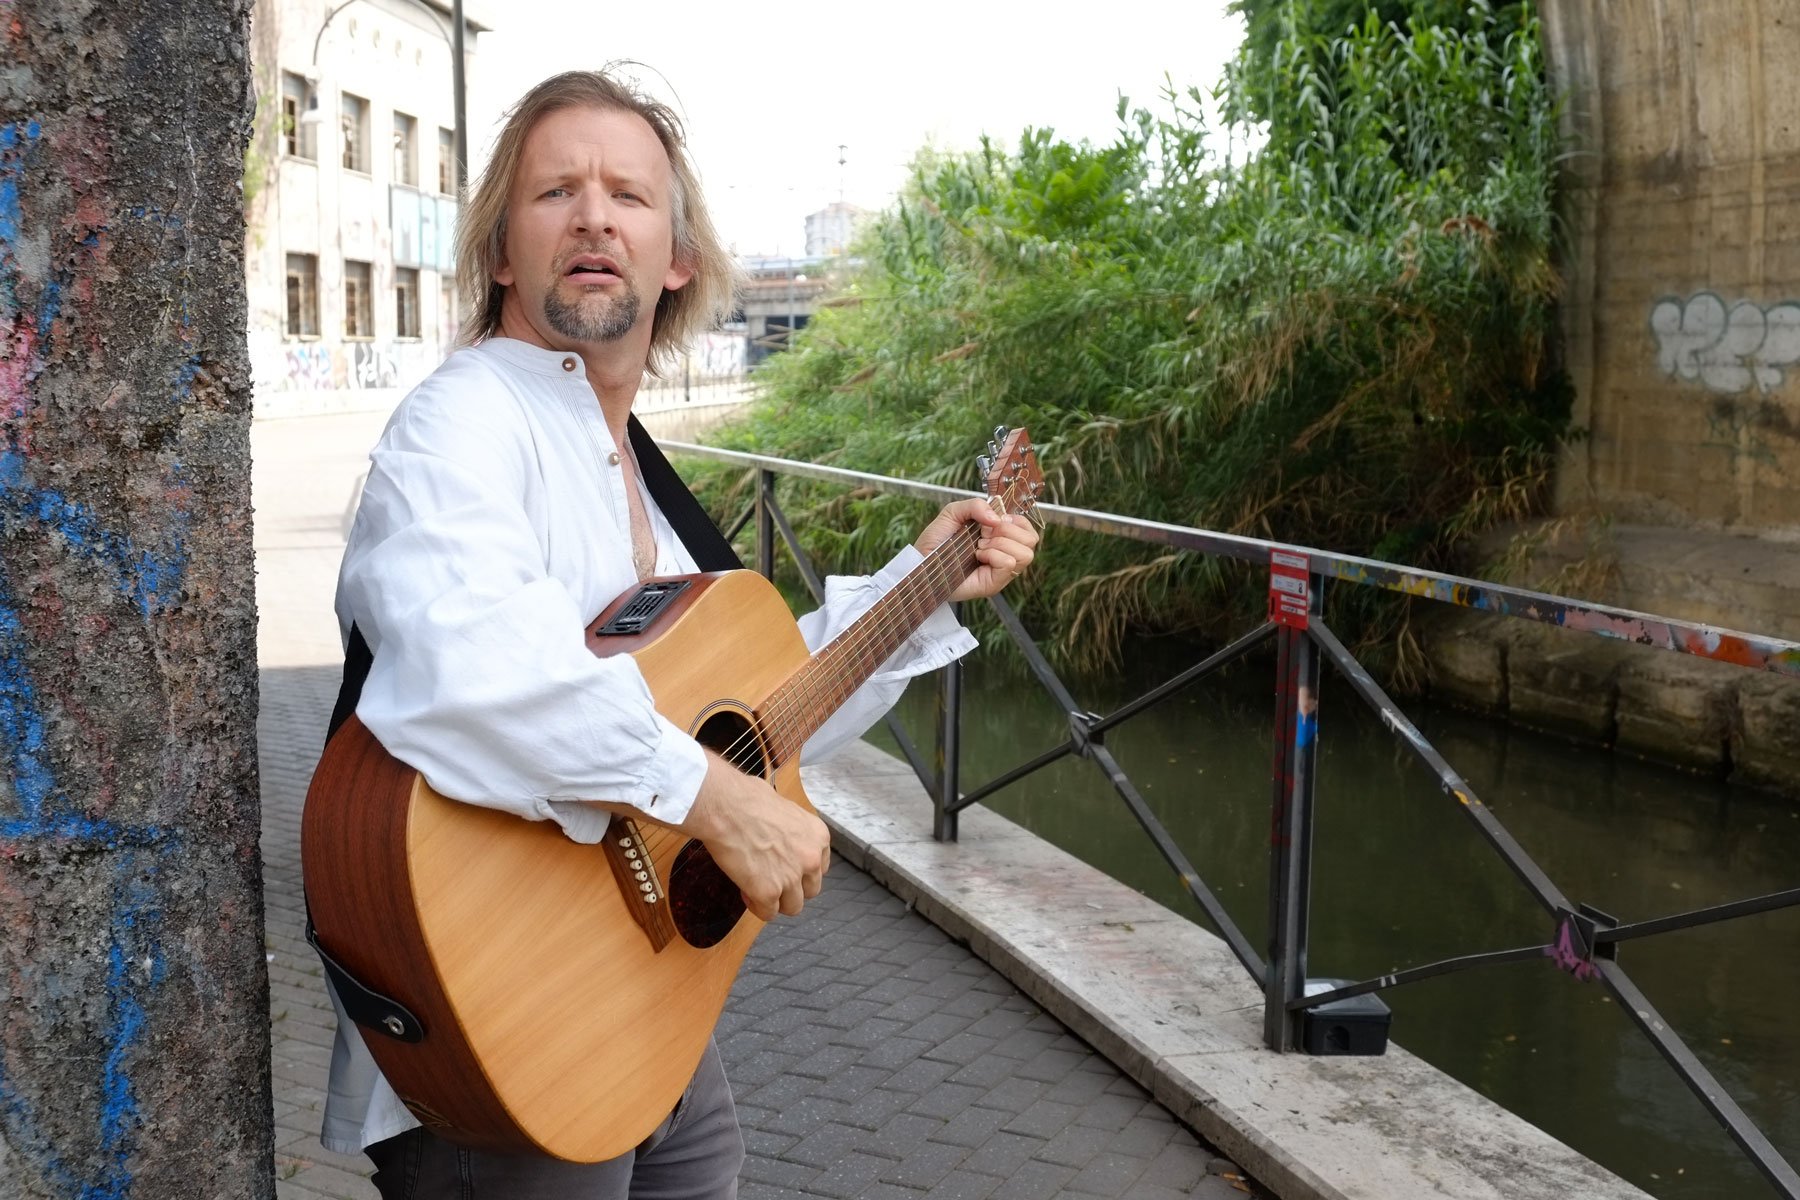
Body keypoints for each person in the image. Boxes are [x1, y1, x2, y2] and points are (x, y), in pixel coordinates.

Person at [317, 68, 1039, 1198]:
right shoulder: (463, 423)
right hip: (498, 1004)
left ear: (678, 260)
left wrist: (928, 581)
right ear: (504, 253)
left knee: (708, 1164)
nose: (595, 215)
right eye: (556, 191)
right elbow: (477, 661)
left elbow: (761, 717)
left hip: (624, 985)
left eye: (629, 197)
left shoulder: (639, 479)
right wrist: (711, 801)